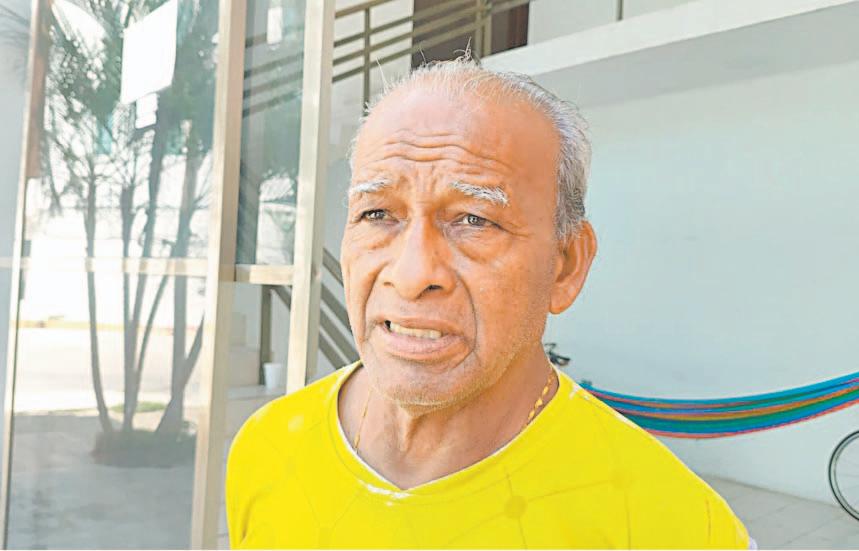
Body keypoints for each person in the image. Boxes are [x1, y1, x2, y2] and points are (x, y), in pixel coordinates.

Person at [226, 56, 752, 549]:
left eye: (474, 220)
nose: (411, 276)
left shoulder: (674, 525)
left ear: (566, 265)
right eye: (377, 214)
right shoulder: (268, 446)